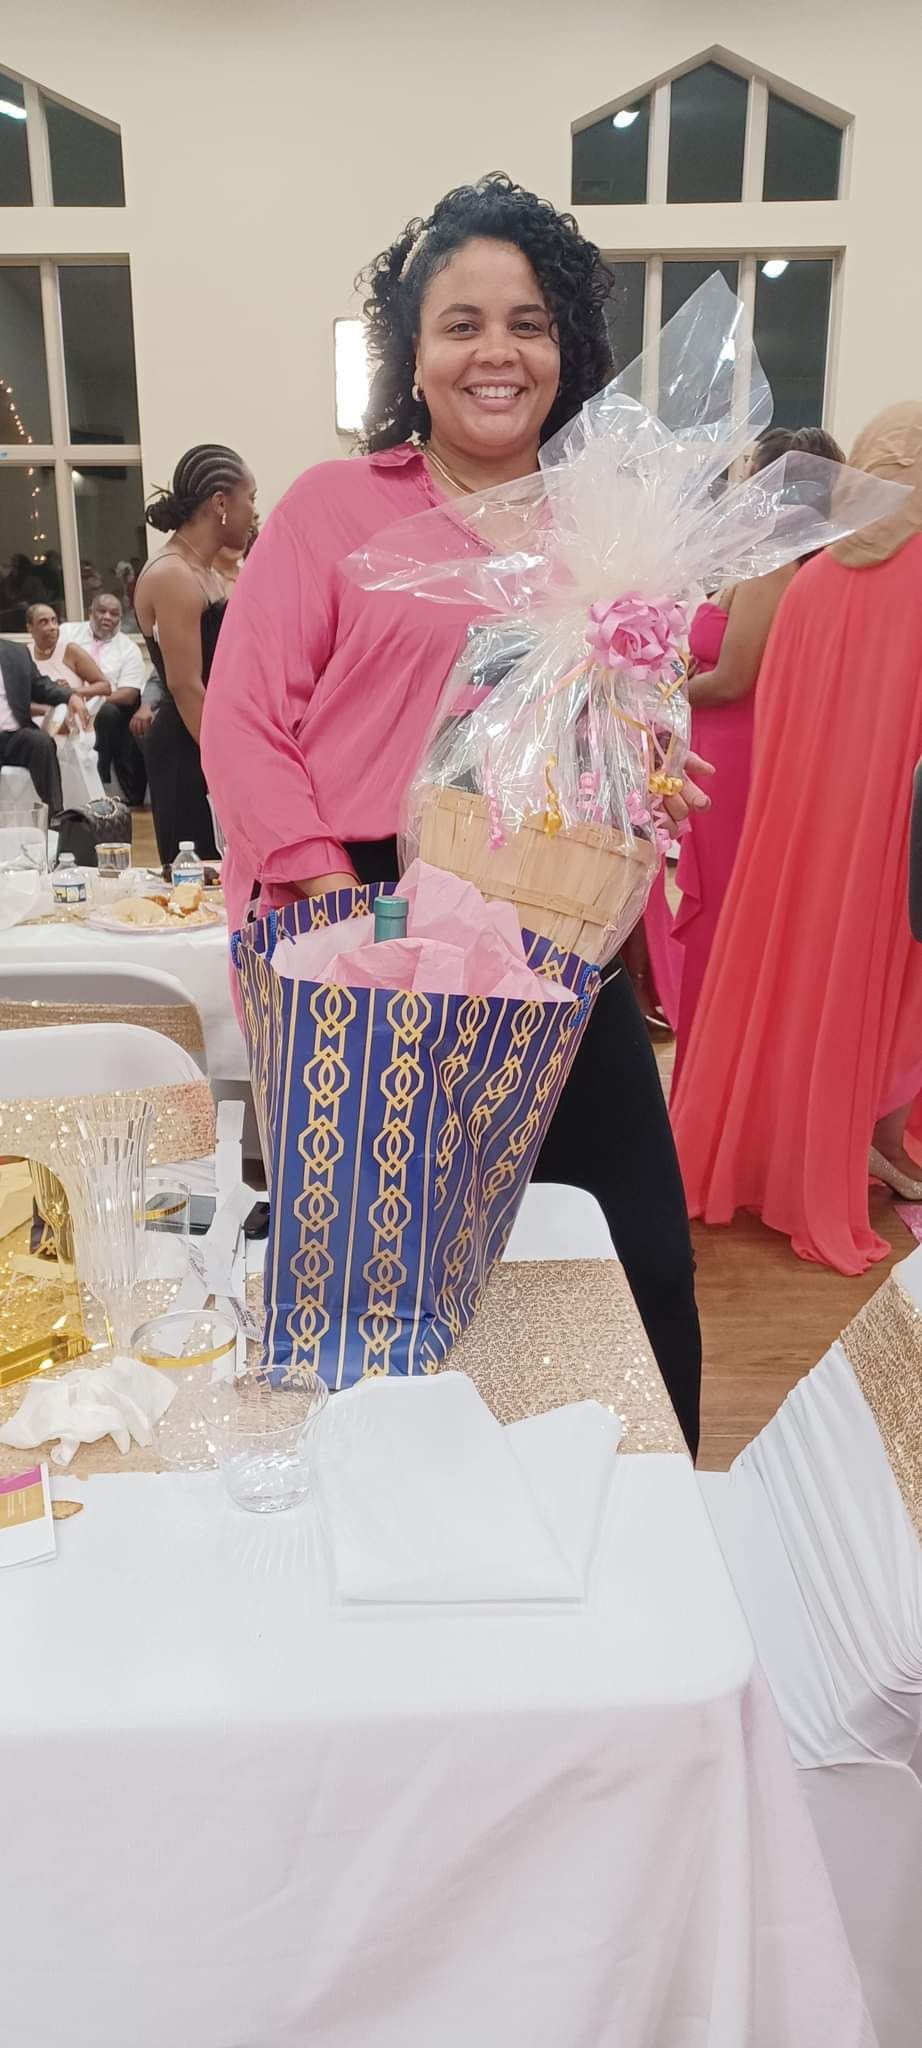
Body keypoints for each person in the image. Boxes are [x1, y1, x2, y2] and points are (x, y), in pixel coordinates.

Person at [203, 174, 715, 1455]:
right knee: (393, 1258)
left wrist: (653, 774)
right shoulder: (334, 507)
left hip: (551, 922)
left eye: (529, 322)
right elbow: (245, 719)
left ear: (566, 349)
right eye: (462, 323)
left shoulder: (612, 529)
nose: (497, 350)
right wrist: (323, 887)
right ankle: (395, 1518)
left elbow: (622, 729)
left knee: (637, 1240)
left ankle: (644, 1522)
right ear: (414, 356)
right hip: (367, 916)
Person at [672, 401, 922, 1275]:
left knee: (804, 975)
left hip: (802, 824)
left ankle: (801, 1144)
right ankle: (867, 1142)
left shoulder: (818, 580)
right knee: (889, 993)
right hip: (892, 831)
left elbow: (770, 709)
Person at [667, 425, 845, 1081]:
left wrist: (663, 687)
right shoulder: (796, 561)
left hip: (735, 756)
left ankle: (713, 1081)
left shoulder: (777, 562)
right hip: (735, 749)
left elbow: (737, 678)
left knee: (725, 921)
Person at [133, 444, 257, 867]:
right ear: (221, 503)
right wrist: (231, 769)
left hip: (210, 734)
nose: (253, 512)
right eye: (250, 498)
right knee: (200, 877)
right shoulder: (173, 575)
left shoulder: (204, 570)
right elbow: (185, 685)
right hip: (188, 746)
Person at [62, 591, 148, 805]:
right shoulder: (68, 634)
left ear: (120, 618)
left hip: (106, 707)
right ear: (91, 612)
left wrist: (90, 701)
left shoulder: (128, 648)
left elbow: (129, 694)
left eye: (114, 614)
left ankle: (98, 783)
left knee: (106, 713)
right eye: (102, 611)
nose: (107, 617)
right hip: (63, 701)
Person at [0, 635, 89, 813]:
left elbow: (40, 686)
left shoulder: (15, 653)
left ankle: (56, 818)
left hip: (16, 736)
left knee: (41, 742)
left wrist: (70, 696)